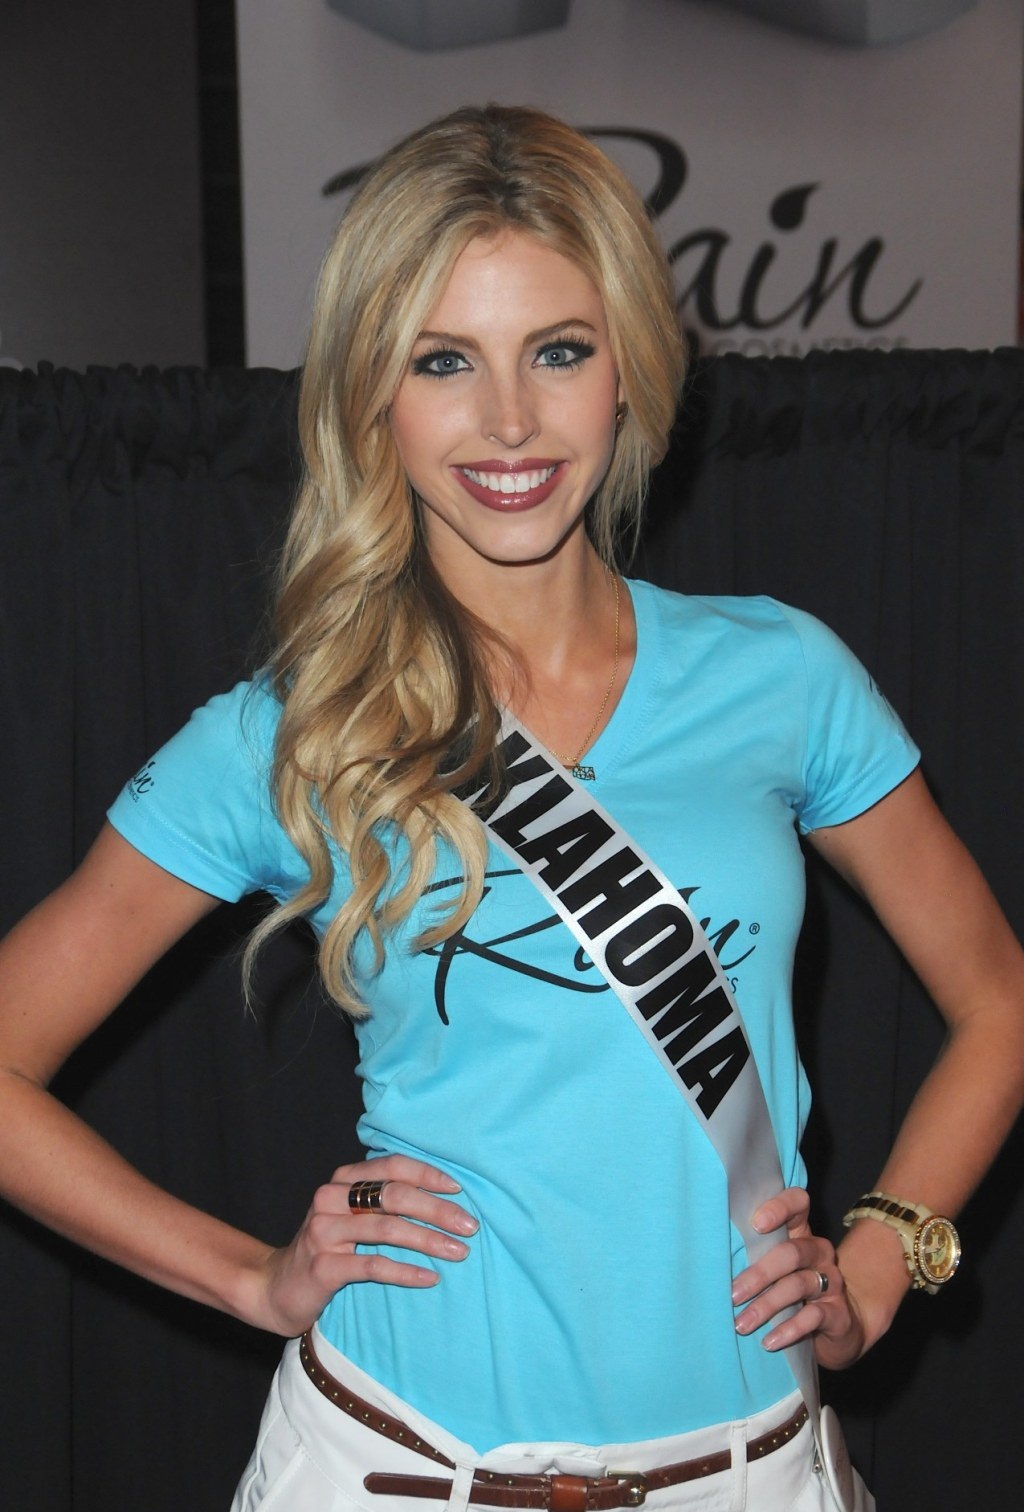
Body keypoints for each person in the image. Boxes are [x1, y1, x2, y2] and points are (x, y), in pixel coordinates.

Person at [1, 104, 1022, 1512]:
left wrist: (888, 1257)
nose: (510, 422)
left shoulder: (782, 676)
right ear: (371, 394)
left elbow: (998, 998)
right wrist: (251, 1278)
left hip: (752, 1473)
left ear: (629, 368)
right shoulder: (294, 734)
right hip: (395, 1466)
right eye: (443, 361)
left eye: (559, 350)